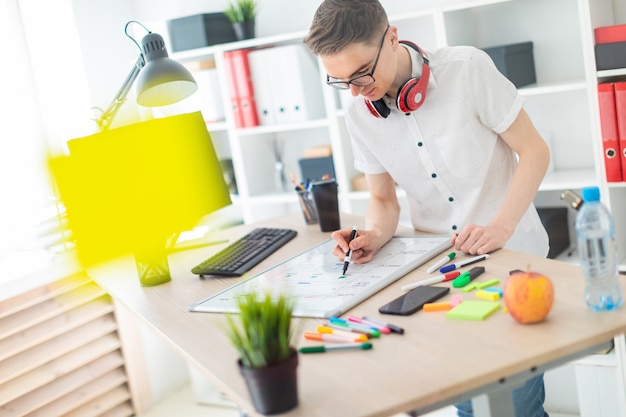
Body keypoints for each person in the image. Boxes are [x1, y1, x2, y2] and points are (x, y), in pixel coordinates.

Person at [304, 1, 551, 417]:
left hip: (513, 263)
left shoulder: (467, 70)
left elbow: (535, 151)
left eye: (362, 73)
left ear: (393, 37)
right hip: (441, 277)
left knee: (516, 409)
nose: (356, 90)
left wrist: (499, 227)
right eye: (341, 80)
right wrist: (374, 235)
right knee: (469, 407)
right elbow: (383, 200)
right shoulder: (357, 115)